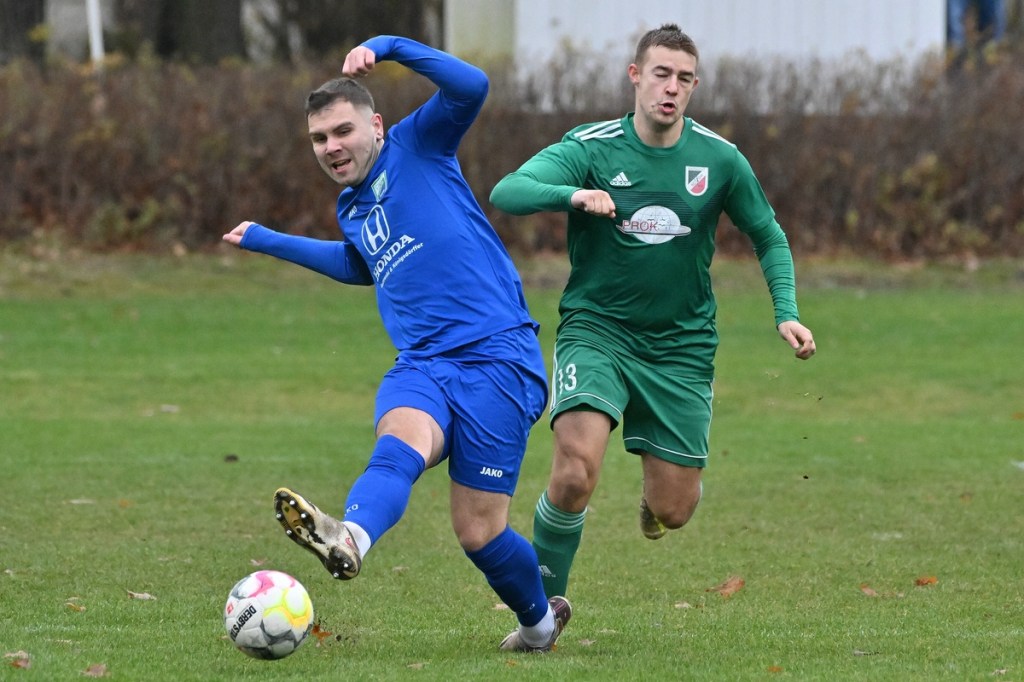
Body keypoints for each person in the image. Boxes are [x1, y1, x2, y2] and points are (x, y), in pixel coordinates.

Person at [222, 35, 570, 652]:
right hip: (423, 364)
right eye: (319, 139)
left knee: (479, 533)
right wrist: (265, 238)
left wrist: (388, 47)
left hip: (498, 360)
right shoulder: (351, 206)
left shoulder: (418, 144)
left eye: (342, 131)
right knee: (397, 445)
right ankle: (349, 538)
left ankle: (539, 624)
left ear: (376, 126)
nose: (331, 147)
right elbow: (359, 264)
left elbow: (472, 86)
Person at [489, 24, 816, 600]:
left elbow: (768, 234)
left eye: (684, 78)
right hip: (598, 331)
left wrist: (785, 311)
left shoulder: (719, 159)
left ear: (694, 87)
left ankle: (655, 498)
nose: (672, 87)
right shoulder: (591, 147)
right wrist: (572, 195)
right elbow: (508, 191)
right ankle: (539, 614)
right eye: (661, 74)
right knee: (574, 471)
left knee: (675, 510)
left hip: (679, 347)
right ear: (635, 76)